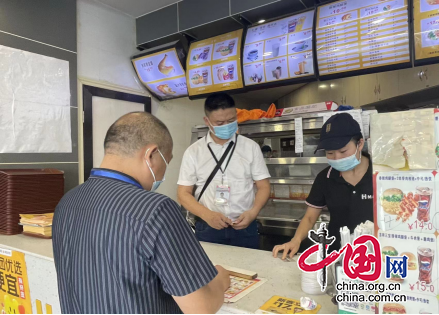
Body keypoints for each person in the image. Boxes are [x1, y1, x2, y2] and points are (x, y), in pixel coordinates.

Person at [53, 112, 230, 314]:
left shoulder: (67, 202)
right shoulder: (156, 209)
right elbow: (201, 308)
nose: (163, 173)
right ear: (151, 155)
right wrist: (219, 281)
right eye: (167, 162)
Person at [273, 113, 373, 259]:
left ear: (360, 144)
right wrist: (295, 240)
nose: (337, 158)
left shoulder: (380, 174)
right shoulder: (325, 178)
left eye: (343, 151)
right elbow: (309, 217)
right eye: (330, 153)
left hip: (376, 254)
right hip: (337, 254)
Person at [178, 93, 271, 249]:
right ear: (207, 121)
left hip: (244, 227)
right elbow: (183, 193)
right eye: (220, 122)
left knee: (250, 270)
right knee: (210, 271)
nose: (227, 126)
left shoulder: (250, 147)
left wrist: (253, 212)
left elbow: (264, 186)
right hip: (208, 228)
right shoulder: (194, 152)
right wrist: (207, 215)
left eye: (231, 120)